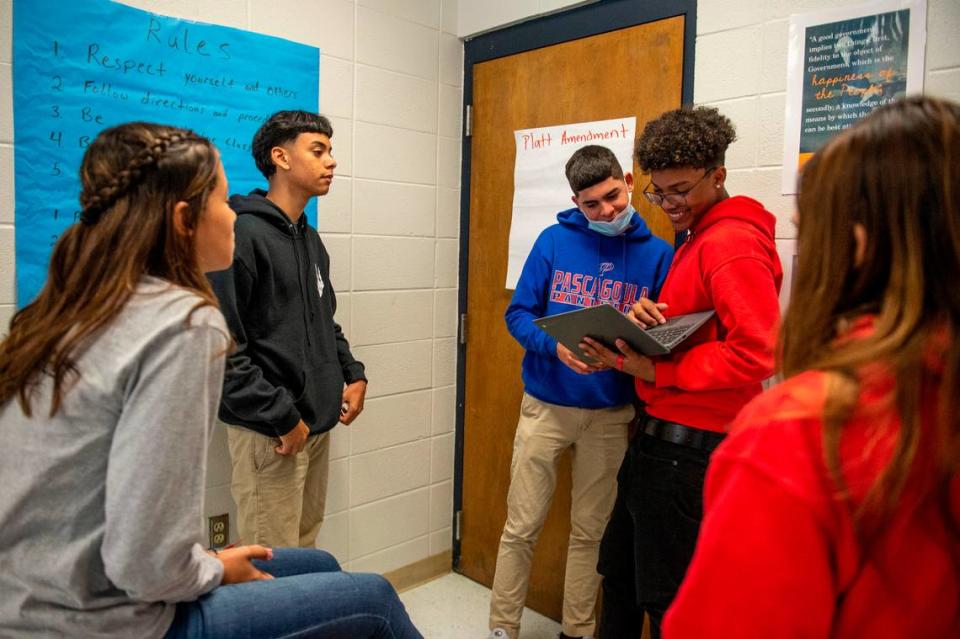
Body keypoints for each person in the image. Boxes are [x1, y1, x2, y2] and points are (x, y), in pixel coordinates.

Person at [0, 123, 422, 638]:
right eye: (223, 202)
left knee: (321, 563)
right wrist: (215, 566)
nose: (233, 215)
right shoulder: (181, 321)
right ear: (184, 220)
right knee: (375, 598)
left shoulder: (73, 305)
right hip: (98, 617)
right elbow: (147, 565)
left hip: (43, 589)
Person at [663, 96, 960, 638]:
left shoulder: (799, 432)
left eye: (809, 228)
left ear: (858, 243)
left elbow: (758, 348)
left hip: (692, 438)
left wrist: (661, 369)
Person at [579, 107, 782, 638]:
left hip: (687, 454)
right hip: (656, 443)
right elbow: (704, 325)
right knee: (619, 576)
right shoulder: (696, 238)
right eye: (659, 192)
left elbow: (758, 351)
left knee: (671, 605)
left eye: (682, 191)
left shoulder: (729, 242)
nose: (670, 205)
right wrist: (654, 316)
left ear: (718, 174)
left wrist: (656, 369)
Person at [488, 145, 674, 639]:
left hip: (611, 414)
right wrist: (554, 346)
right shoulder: (553, 241)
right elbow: (517, 315)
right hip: (546, 407)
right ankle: (502, 628)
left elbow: (664, 339)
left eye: (613, 196)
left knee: (591, 533)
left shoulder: (658, 254)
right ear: (576, 201)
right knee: (521, 528)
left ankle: (577, 631)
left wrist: (646, 326)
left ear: (629, 181)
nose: (606, 211)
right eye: (592, 204)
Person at [209, 110, 367, 548]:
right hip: (272, 431)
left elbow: (323, 319)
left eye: (331, 151)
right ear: (280, 157)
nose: (331, 161)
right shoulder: (240, 233)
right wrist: (282, 417)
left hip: (313, 424)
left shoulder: (309, 239)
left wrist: (352, 373)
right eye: (318, 150)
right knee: (270, 564)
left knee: (305, 548)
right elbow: (221, 350)